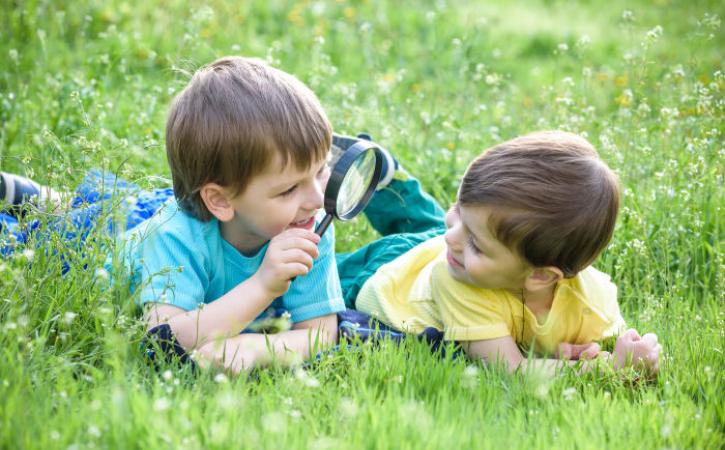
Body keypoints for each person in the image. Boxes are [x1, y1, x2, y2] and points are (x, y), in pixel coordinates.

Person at [0, 56, 389, 374]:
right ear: (220, 200)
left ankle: (44, 196)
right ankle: (39, 204)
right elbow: (162, 342)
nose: (317, 197)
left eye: (320, 170)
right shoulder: (172, 238)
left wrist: (255, 348)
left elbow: (321, 333)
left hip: (166, 209)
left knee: (128, 201)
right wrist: (264, 287)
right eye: (289, 188)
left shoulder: (306, 220)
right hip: (107, 244)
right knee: (39, 238)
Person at [335, 130, 661, 376]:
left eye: (476, 241)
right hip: (387, 275)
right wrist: (604, 370)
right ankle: (376, 175)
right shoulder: (460, 277)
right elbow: (511, 371)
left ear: (540, 275)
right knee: (315, 273)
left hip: (451, 255)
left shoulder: (594, 303)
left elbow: (614, 346)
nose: (454, 236)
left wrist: (623, 355)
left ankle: (389, 180)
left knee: (437, 229)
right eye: (458, 209)